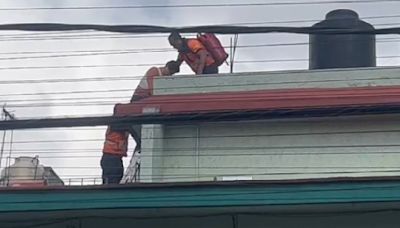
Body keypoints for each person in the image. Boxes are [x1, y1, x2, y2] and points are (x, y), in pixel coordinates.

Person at [101, 61, 180, 184]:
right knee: (112, 179)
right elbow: (154, 89)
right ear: (167, 68)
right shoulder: (154, 71)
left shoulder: (118, 125)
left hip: (114, 156)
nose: (170, 75)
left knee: (114, 179)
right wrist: (141, 140)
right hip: (140, 100)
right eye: (170, 72)